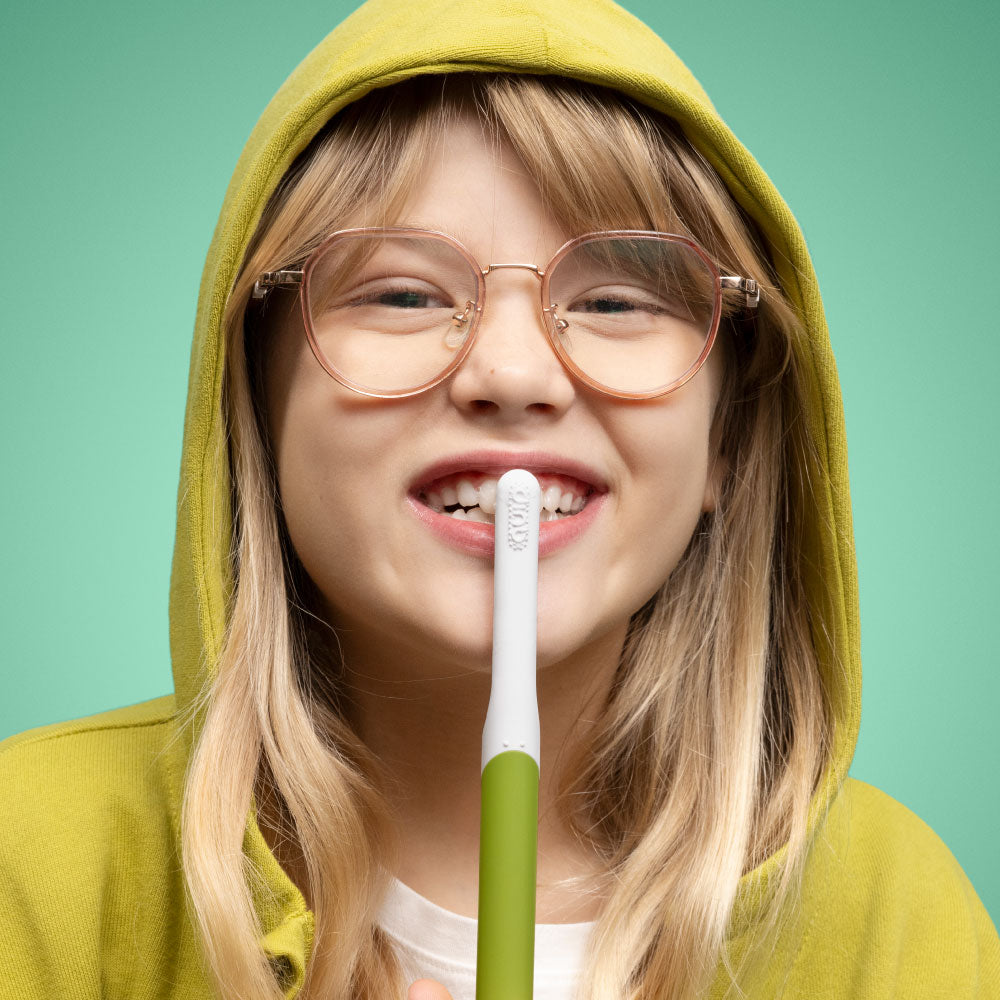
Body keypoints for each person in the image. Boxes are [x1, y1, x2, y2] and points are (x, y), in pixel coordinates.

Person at [1, 0, 997, 998]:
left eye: (616, 299)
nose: (514, 371)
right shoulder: (31, 859)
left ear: (728, 439)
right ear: (254, 413)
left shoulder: (893, 911)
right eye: (399, 292)